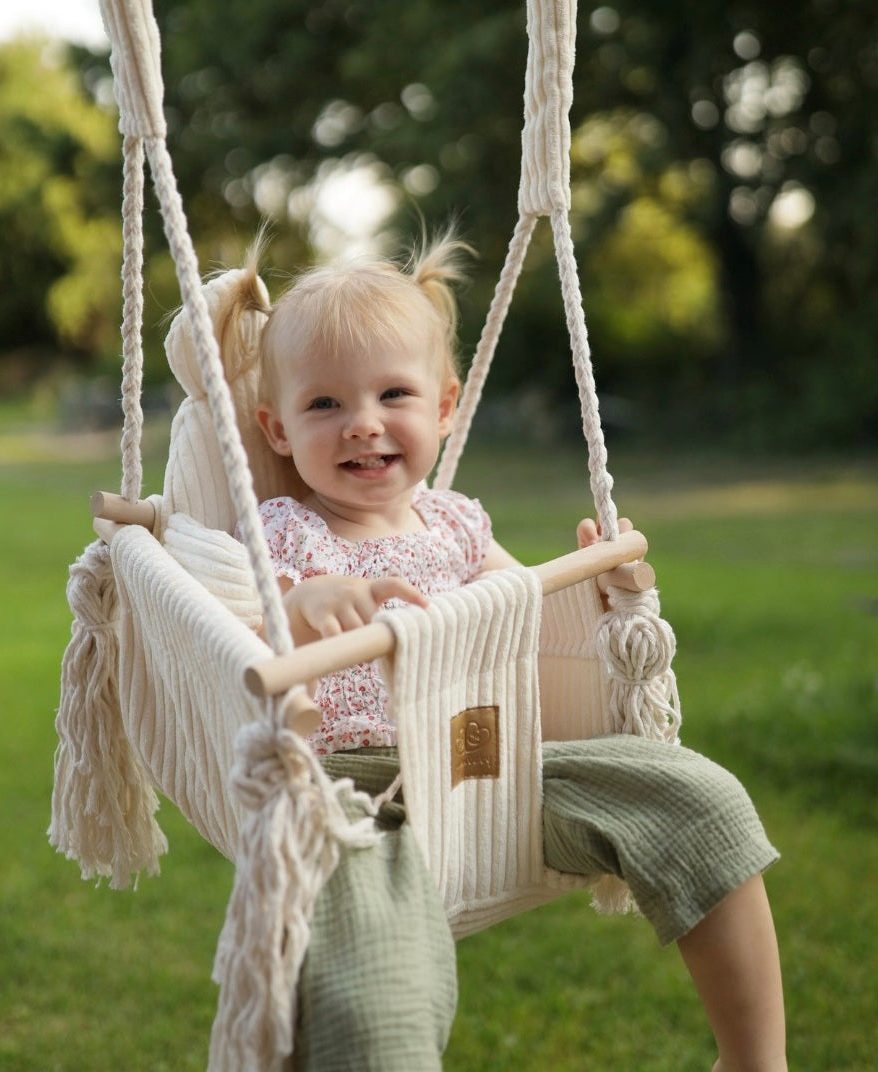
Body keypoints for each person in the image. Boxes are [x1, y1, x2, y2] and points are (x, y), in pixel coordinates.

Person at [221, 233, 787, 1072]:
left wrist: (603, 589)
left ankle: (754, 1060)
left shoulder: (458, 524)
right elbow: (246, 621)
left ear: (444, 409)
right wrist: (304, 603)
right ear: (276, 428)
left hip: (490, 757)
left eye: (393, 394)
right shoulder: (284, 533)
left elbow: (530, 612)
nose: (364, 423)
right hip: (359, 783)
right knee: (375, 972)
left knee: (701, 799)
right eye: (325, 406)